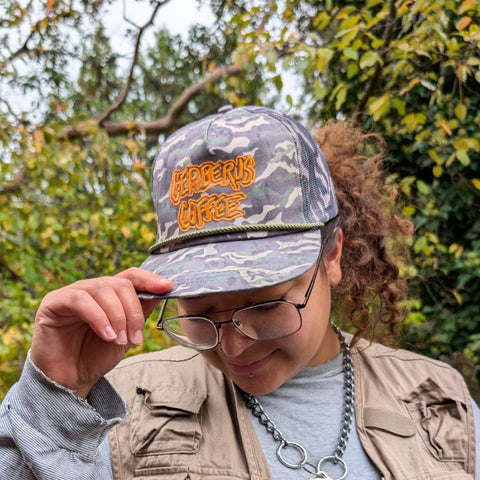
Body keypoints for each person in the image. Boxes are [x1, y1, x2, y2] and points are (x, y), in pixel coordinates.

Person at [0, 105, 478, 480]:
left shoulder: (439, 400)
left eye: (267, 303)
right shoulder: (119, 407)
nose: (233, 346)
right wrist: (51, 400)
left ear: (331, 256)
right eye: (201, 310)